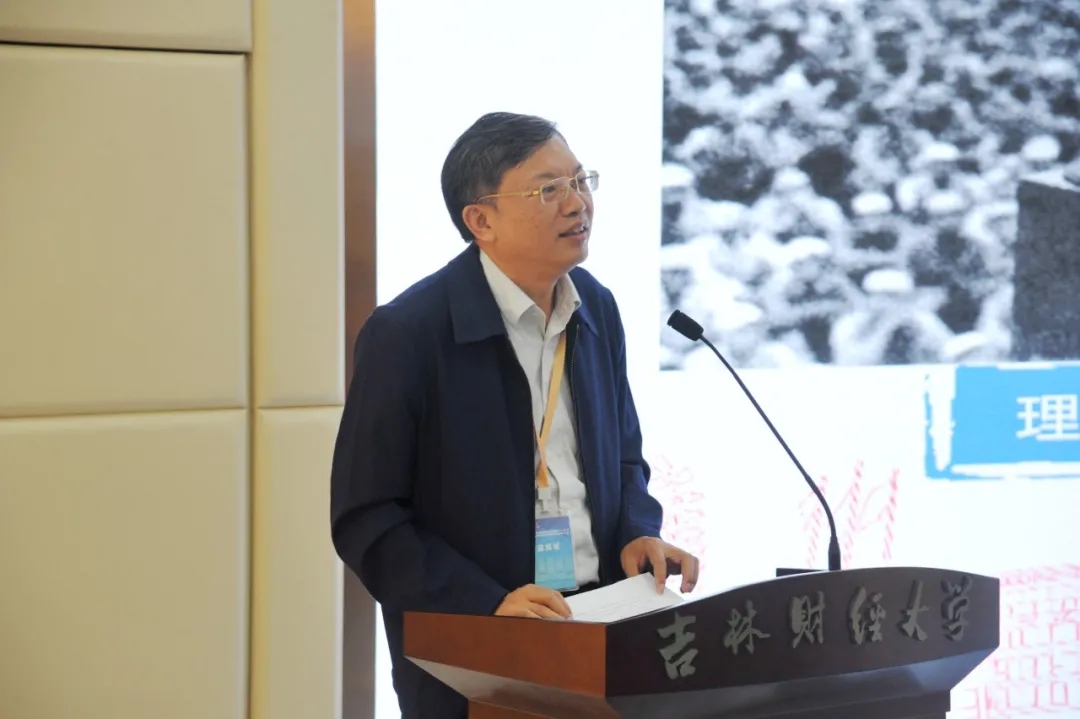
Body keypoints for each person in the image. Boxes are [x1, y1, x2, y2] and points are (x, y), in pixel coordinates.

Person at [330, 111, 700, 719]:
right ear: (481, 221)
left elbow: (623, 456)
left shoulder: (595, 308)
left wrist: (638, 528)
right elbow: (367, 518)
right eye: (548, 189)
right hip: (479, 650)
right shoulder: (409, 333)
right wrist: (485, 602)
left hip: (601, 630)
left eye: (580, 180)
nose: (577, 203)